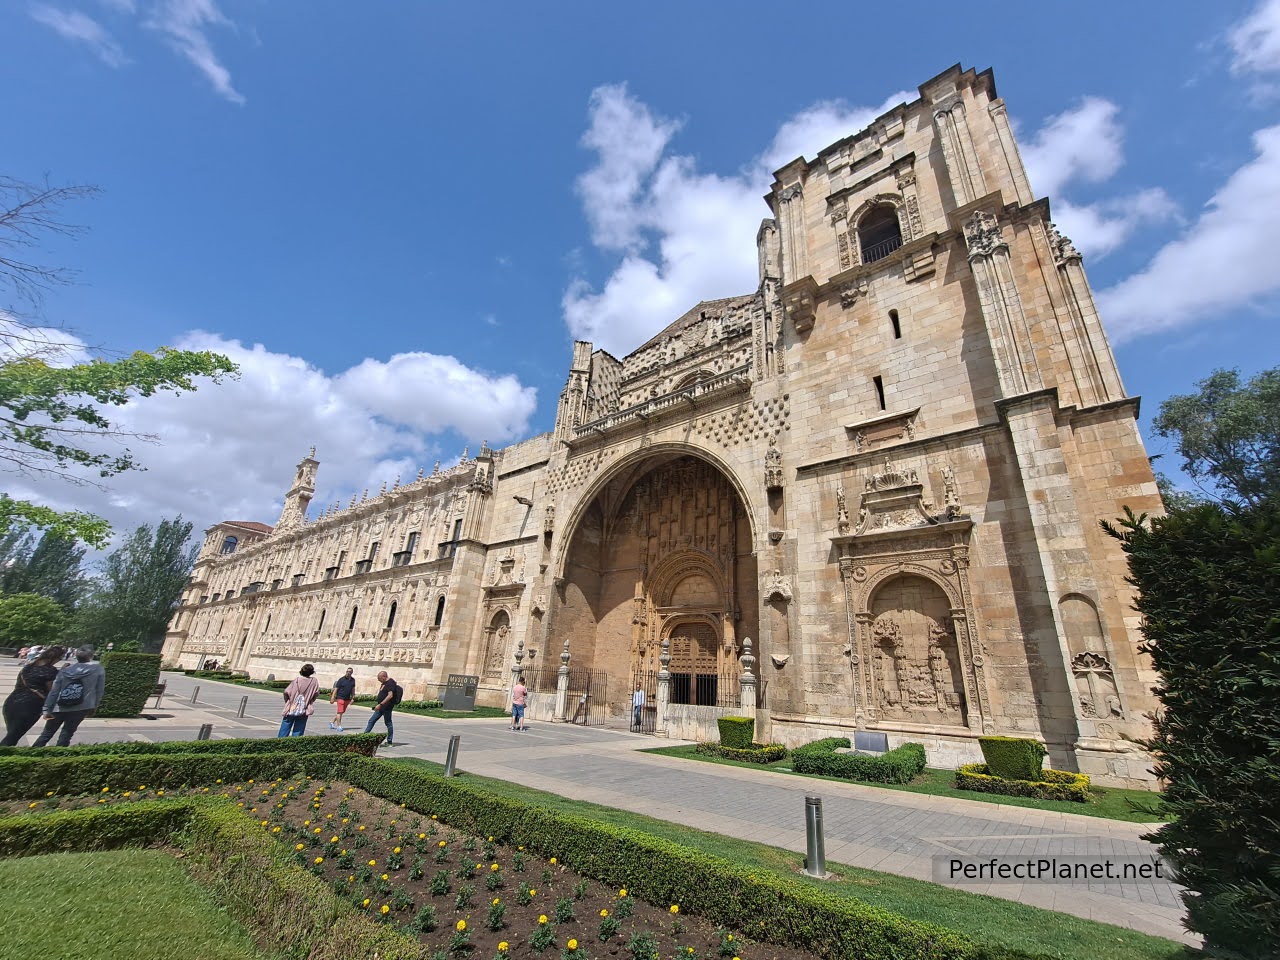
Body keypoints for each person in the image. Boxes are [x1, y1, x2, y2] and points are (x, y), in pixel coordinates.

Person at [32, 645, 105, 747]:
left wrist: (47, 709)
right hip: (82, 706)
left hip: (60, 705)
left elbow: (54, 691)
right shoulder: (98, 669)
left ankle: (33, 754)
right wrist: (94, 706)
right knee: (67, 734)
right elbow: (99, 690)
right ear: (90, 656)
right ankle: (59, 757)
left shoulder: (65, 669)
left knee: (46, 734)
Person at [1, 645, 66, 746]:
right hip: (30, 706)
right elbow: (52, 691)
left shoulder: (28, 666)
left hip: (12, 702)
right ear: (55, 658)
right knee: (12, 737)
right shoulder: (50, 671)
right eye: (60, 658)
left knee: (12, 734)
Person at [277, 663, 320, 737]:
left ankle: (280, 744)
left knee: (285, 726)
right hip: (304, 707)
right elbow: (316, 693)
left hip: (292, 706)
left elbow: (286, 692)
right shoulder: (314, 681)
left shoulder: (297, 680)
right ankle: (296, 745)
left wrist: (288, 701)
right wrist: (310, 700)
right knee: (299, 729)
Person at [363, 670, 399, 745]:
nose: (379, 680)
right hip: (381, 707)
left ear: (384, 677)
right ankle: (364, 736)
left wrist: (381, 704)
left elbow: (390, 695)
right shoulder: (385, 683)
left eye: (379, 679)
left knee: (388, 723)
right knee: (371, 720)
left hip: (386, 707)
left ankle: (389, 741)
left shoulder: (390, 683)